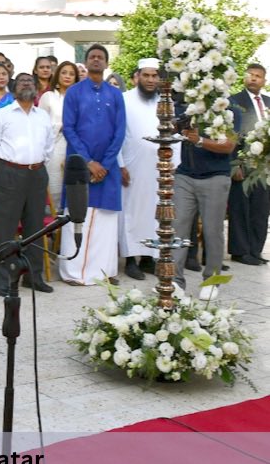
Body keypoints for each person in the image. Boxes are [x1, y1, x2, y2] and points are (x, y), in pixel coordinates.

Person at [59, 45, 126, 286]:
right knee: (78, 215)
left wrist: (104, 165)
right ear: (86, 63)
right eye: (92, 57)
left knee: (106, 222)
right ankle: (74, 272)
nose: (96, 60)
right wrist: (89, 162)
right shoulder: (74, 93)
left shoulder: (115, 95)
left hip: (107, 169)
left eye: (100, 57)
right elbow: (69, 128)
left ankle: (104, 272)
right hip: (80, 165)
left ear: (107, 64)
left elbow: (120, 132)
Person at [0, 73, 54, 294]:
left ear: (35, 89)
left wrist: (36, 166)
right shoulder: (1, 115)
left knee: (36, 228)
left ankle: (33, 277)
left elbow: (48, 148)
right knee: (4, 229)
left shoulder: (42, 116)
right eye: (22, 82)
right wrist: (6, 171)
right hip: (10, 173)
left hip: (37, 173)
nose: (26, 85)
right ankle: (1, 280)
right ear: (13, 89)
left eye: (30, 82)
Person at [172, 99, 240, 301]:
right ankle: (175, 281)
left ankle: (212, 280)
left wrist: (200, 140)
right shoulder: (187, 108)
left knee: (212, 230)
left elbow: (229, 145)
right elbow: (169, 128)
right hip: (185, 174)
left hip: (216, 176)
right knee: (178, 227)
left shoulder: (231, 110)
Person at [119, 59, 167, 280]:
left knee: (154, 212)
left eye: (154, 76)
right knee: (131, 212)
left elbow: (170, 134)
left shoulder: (165, 102)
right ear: (138, 76)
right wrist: (120, 164)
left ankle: (148, 259)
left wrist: (173, 165)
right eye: (146, 75)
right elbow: (116, 134)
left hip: (159, 168)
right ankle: (130, 259)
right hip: (132, 166)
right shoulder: (124, 99)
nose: (150, 80)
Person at [228, 64, 270, 266]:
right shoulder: (233, 101)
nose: (254, 79)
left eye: (258, 76)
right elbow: (229, 133)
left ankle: (255, 250)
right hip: (243, 164)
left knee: (261, 209)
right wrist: (233, 164)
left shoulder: (269, 102)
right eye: (251, 75)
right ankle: (240, 250)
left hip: (265, 167)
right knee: (240, 208)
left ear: (264, 80)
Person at [37, 60, 78, 213]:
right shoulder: (48, 96)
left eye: (72, 74)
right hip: (54, 144)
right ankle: (51, 226)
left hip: (74, 144)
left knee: (72, 185)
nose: (67, 76)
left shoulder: (78, 98)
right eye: (64, 72)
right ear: (58, 74)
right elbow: (40, 125)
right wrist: (60, 126)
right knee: (54, 185)